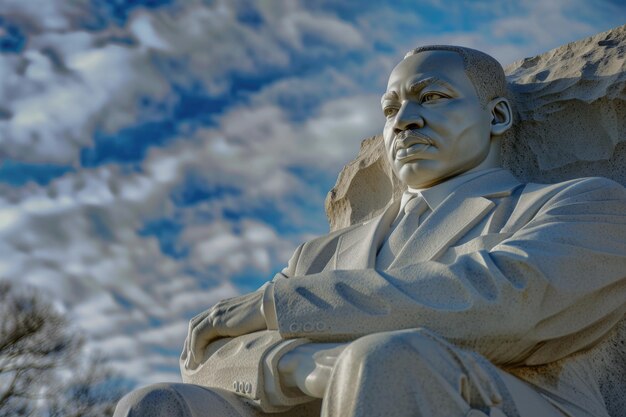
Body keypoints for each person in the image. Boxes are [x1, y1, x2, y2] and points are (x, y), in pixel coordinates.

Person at [114, 46, 626, 417]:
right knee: (154, 405)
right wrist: (305, 366)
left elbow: (507, 302)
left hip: (499, 402)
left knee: (386, 360)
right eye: (391, 108)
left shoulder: (583, 202)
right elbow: (207, 359)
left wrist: (275, 306)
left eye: (433, 97)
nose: (404, 121)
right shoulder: (318, 257)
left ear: (495, 116)